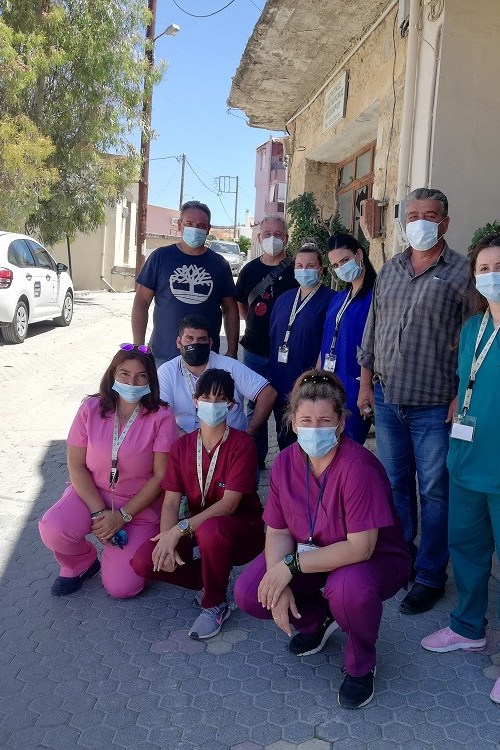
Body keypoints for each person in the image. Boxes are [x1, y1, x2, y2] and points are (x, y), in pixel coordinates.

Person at [421, 233, 500, 706]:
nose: (492, 275)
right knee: (467, 550)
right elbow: (468, 382)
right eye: (483, 268)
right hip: (466, 459)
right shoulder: (472, 327)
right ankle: (467, 627)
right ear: (474, 276)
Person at [234, 370, 410, 709]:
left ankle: (361, 665)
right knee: (251, 592)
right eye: (306, 421)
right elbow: (278, 530)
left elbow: (361, 548)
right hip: (312, 553)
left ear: (341, 423)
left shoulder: (358, 467)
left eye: (325, 421)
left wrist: (290, 566)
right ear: (293, 423)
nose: (315, 429)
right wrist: (279, 578)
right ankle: (318, 620)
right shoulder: (284, 462)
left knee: (347, 590)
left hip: (370, 559)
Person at [357, 187, 474, 615]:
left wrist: (461, 394)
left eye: (430, 215)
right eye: (413, 215)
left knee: (435, 491)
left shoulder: (463, 273)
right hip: (388, 399)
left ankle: (430, 576)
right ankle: (400, 559)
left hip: (434, 404)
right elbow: (373, 329)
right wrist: (365, 384)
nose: (420, 222)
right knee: (395, 485)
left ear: (445, 222)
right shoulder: (390, 268)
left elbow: (473, 338)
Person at [131, 369, 265, 640]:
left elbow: (229, 506)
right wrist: (167, 539)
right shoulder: (182, 447)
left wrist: (180, 530)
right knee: (144, 561)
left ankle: (215, 603)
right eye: (206, 397)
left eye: (220, 399)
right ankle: (213, 577)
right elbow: (171, 502)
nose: (212, 404)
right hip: (197, 528)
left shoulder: (242, 445)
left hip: (242, 532)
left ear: (231, 405)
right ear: (195, 400)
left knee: (212, 529)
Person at [39, 344, 177, 598]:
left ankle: (121, 551)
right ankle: (80, 563)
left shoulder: (162, 416)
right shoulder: (90, 408)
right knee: (53, 528)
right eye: (124, 374)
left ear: (151, 380)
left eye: (141, 376)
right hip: (91, 494)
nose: (131, 383)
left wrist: (122, 516)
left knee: (122, 588)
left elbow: (161, 476)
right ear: (113, 374)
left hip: (138, 505)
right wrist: (100, 514)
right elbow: (76, 465)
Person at [132, 200, 240, 368]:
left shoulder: (220, 264)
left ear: (208, 229)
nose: (195, 229)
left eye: (201, 225)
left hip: (206, 357)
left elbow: (231, 309)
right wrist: (138, 347)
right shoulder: (160, 257)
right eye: (189, 224)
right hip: (164, 355)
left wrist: (232, 350)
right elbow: (141, 302)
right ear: (179, 225)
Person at [237, 215, 299, 466]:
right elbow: (242, 306)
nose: (273, 239)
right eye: (268, 234)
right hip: (254, 352)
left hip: (287, 355)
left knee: (287, 406)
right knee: (255, 406)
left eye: (278, 234)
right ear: (259, 237)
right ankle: (256, 458)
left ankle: (289, 461)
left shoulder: (297, 271)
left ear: (286, 238)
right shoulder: (249, 271)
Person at [157, 314, 277, 437]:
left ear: (210, 343)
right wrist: (188, 443)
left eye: (201, 339)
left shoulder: (229, 366)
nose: (195, 344)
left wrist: (249, 434)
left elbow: (268, 394)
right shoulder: (167, 371)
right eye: (189, 338)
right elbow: (163, 415)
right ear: (178, 342)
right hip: (184, 439)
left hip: (230, 442)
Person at [267, 241, 334, 450]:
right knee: (285, 439)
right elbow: (273, 336)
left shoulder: (331, 300)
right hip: (280, 381)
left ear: (321, 269)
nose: (304, 270)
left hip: (310, 385)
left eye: (310, 266)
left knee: (309, 441)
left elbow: (331, 341)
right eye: (300, 266)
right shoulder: (284, 299)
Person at [318, 234, 376, 444]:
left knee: (348, 445)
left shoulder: (376, 297)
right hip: (329, 382)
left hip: (356, 383)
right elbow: (326, 339)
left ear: (358, 254)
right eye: (335, 265)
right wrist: (316, 376)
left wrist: (366, 387)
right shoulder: (339, 297)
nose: (341, 268)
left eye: (345, 260)